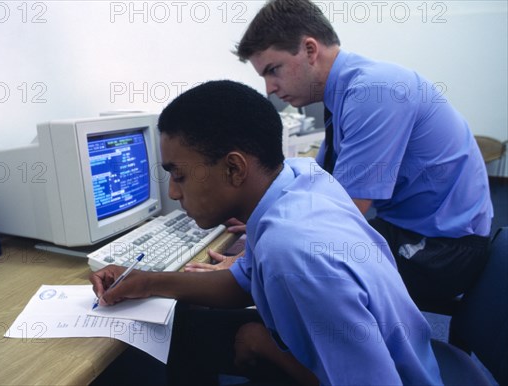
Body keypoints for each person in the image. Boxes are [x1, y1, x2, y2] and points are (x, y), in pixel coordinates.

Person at [90, 80, 442, 385]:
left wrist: (266, 347)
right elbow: (241, 283)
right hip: (394, 355)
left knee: (189, 341)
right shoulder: (299, 177)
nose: (173, 193)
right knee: (187, 326)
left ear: (233, 168)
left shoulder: (290, 251)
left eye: (179, 175)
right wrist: (148, 282)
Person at [196, 0, 493, 308]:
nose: (270, 88)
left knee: (290, 266)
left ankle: (276, 349)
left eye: (273, 70)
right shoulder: (347, 92)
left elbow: (340, 216)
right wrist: (265, 217)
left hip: (444, 253)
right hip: (413, 233)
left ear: (310, 50)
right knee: (283, 249)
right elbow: (321, 184)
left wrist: (248, 262)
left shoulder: (375, 90)